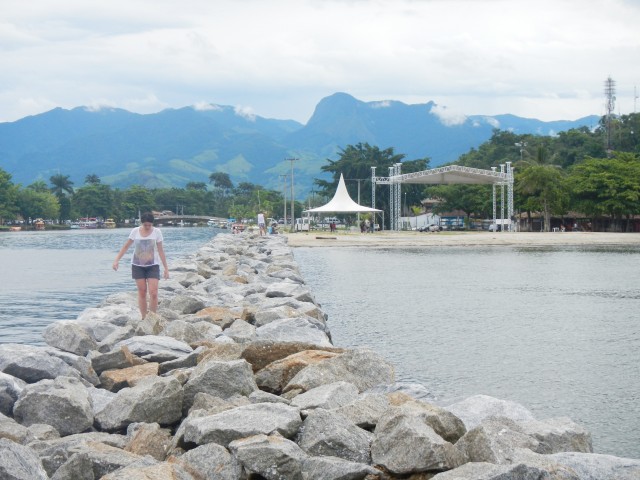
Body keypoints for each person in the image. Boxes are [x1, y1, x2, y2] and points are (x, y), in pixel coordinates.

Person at [112, 212, 169, 318]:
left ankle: (152, 316)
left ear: (152, 224)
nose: (147, 227)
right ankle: (143, 317)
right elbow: (126, 247)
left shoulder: (157, 232)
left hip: (153, 265)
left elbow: (161, 250)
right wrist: (116, 260)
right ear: (142, 223)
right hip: (137, 266)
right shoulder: (135, 231)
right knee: (142, 292)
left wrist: (166, 268)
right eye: (145, 225)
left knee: (154, 292)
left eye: (149, 225)